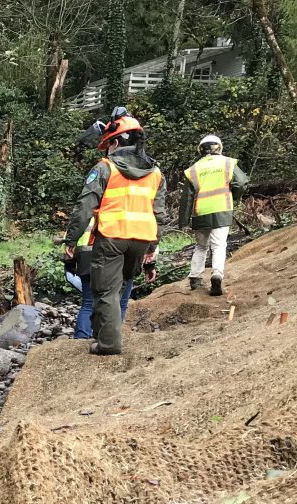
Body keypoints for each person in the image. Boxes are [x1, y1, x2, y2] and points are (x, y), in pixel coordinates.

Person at [64, 115, 167, 356]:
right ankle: (107, 335)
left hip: (111, 237)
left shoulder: (105, 167)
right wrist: (151, 253)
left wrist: (71, 241)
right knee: (121, 290)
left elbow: (84, 207)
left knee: (105, 292)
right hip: (141, 240)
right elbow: (158, 215)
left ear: (117, 142)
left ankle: (108, 344)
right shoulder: (155, 173)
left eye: (109, 144)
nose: (107, 149)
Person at [182, 134, 248, 297]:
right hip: (222, 209)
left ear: (201, 150)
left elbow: (187, 198)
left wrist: (183, 221)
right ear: (219, 147)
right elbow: (240, 182)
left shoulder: (193, 170)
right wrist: (235, 197)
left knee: (201, 246)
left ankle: (195, 278)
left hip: (200, 212)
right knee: (219, 245)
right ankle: (217, 275)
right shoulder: (228, 163)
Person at [66, 210, 134, 340]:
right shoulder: (131, 210)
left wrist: (70, 251)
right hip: (123, 257)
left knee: (88, 302)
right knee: (121, 302)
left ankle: (81, 339)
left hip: (87, 256)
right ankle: (110, 338)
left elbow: (76, 226)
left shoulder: (89, 209)